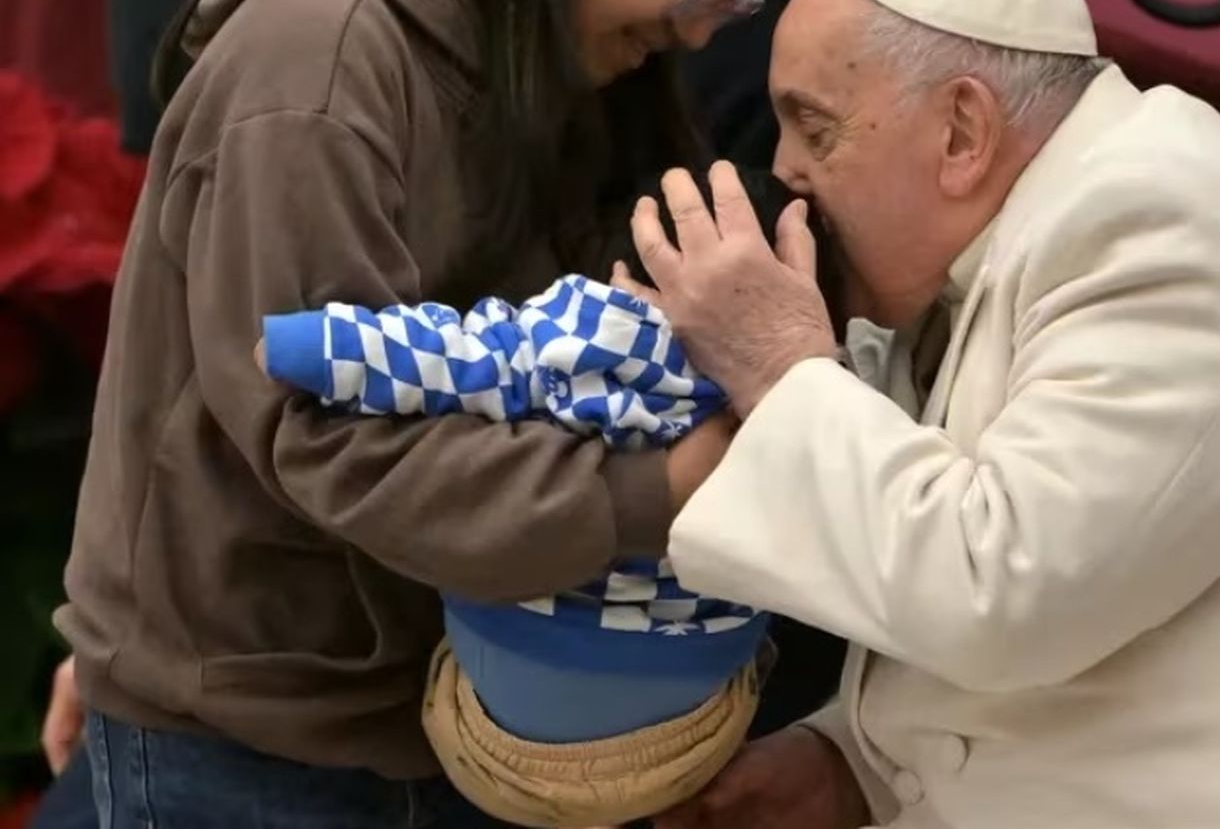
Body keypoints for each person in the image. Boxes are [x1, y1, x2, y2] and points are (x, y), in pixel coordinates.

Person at [620, 0, 1220, 828]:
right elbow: (1114, 583)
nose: (789, 171)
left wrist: (778, 363)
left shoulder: (1161, 217)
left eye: (818, 128)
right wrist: (857, 763)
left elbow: (1002, 594)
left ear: (963, 131)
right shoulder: (1001, 239)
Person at [55, 0, 807, 825]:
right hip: (247, 745)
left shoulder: (542, 59)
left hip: (443, 716)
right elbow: (325, 426)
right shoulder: (321, 57)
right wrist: (663, 487)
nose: (701, 33)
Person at [253, 173, 833, 827]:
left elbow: (438, 356)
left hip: (502, 705)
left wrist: (302, 346)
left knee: (482, 488)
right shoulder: (809, 388)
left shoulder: (588, 333)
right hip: (690, 723)